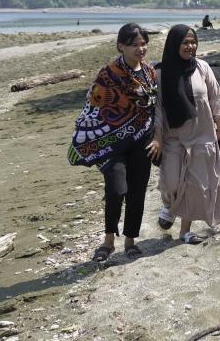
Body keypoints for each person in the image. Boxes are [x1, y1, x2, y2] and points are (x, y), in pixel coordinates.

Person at [68, 23, 157, 261]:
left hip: (142, 140)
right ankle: (108, 240)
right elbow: (94, 104)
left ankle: (130, 241)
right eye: (134, 45)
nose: (140, 49)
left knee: (137, 191)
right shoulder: (108, 74)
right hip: (111, 142)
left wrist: (158, 138)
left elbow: (154, 107)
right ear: (121, 46)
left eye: (143, 44)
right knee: (117, 190)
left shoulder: (149, 72)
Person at [147, 25, 220, 244]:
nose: (190, 46)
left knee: (194, 185)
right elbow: (158, 108)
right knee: (171, 183)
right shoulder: (160, 73)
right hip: (173, 137)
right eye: (185, 42)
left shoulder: (202, 68)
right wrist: (157, 137)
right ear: (174, 44)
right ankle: (169, 206)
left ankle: (185, 231)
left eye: (193, 42)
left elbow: (214, 97)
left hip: (202, 135)